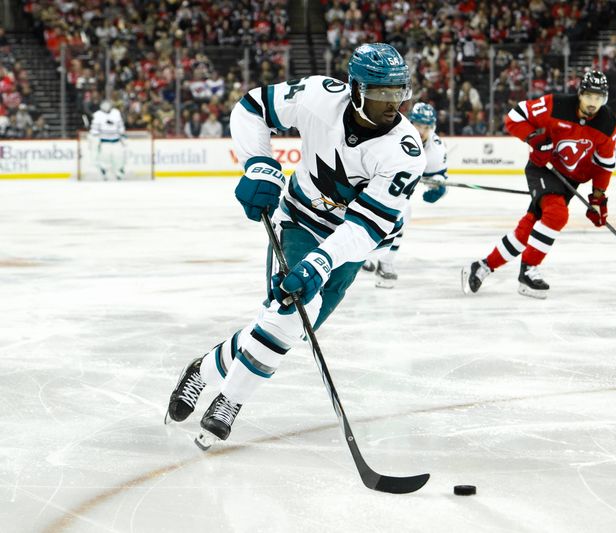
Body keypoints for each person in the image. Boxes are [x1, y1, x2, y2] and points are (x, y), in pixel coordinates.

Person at [165, 43, 426, 449]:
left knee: (290, 330)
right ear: (355, 90)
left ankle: (205, 369)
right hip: (300, 221)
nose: (392, 107)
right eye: (381, 96)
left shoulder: (405, 152)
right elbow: (251, 107)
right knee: (288, 314)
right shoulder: (319, 96)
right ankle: (228, 402)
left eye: (398, 95)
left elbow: (367, 226)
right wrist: (259, 163)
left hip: (348, 244)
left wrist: (321, 263)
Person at [461, 70, 616, 299]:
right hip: (543, 168)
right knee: (556, 214)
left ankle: (483, 266)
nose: (593, 103)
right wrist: (534, 137)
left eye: (599, 98)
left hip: (570, 179)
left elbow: (604, 164)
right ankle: (527, 272)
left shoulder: (608, 125)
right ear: (580, 94)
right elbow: (514, 117)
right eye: (589, 96)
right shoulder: (555, 105)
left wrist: (598, 199)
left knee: (527, 229)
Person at [361, 101, 449, 288]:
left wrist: (439, 188)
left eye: (427, 127)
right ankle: (361, 254)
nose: (422, 131)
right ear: (412, 122)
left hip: (399, 186)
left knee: (401, 216)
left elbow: (439, 176)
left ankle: (385, 263)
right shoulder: (395, 132)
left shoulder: (436, 148)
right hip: (375, 177)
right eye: (419, 125)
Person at [89, 100, 126, 180]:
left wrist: (121, 134)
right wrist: (95, 137)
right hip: (104, 141)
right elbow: (94, 130)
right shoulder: (98, 115)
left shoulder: (116, 113)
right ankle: (104, 172)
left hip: (116, 140)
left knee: (119, 156)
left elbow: (121, 126)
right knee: (104, 158)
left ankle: (119, 172)